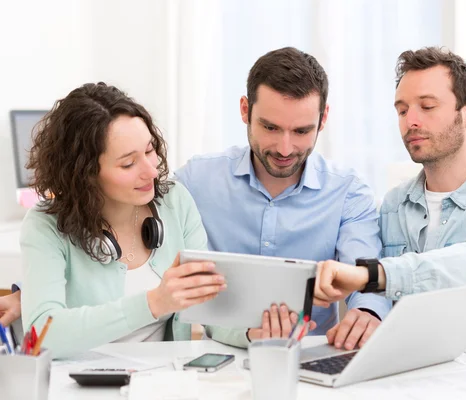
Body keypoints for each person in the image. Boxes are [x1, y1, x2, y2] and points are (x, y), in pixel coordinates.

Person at [314, 47, 466, 331]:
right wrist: (369, 312)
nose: (410, 121)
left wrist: (375, 275)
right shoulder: (393, 205)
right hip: (413, 369)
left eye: (427, 107)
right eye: (402, 110)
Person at [175, 47, 392, 350]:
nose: (285, 148)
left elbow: (363, 269)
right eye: (270, 127)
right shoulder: (195, 181)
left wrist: (367, 311)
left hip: (311, 356)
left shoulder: (348, 193)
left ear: (323, 117)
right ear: (244, 110)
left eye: (302, 131)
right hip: (217, 353)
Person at [19, 83, 226, 359]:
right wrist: (153, 303)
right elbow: (41, 335)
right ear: (85, 174)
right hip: (80, 384)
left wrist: (252, 333)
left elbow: (209, 306)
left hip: (166, 381)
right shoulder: (44, 226)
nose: (151, 171)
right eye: (129, 164)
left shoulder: (175, 201)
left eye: (150, 150)